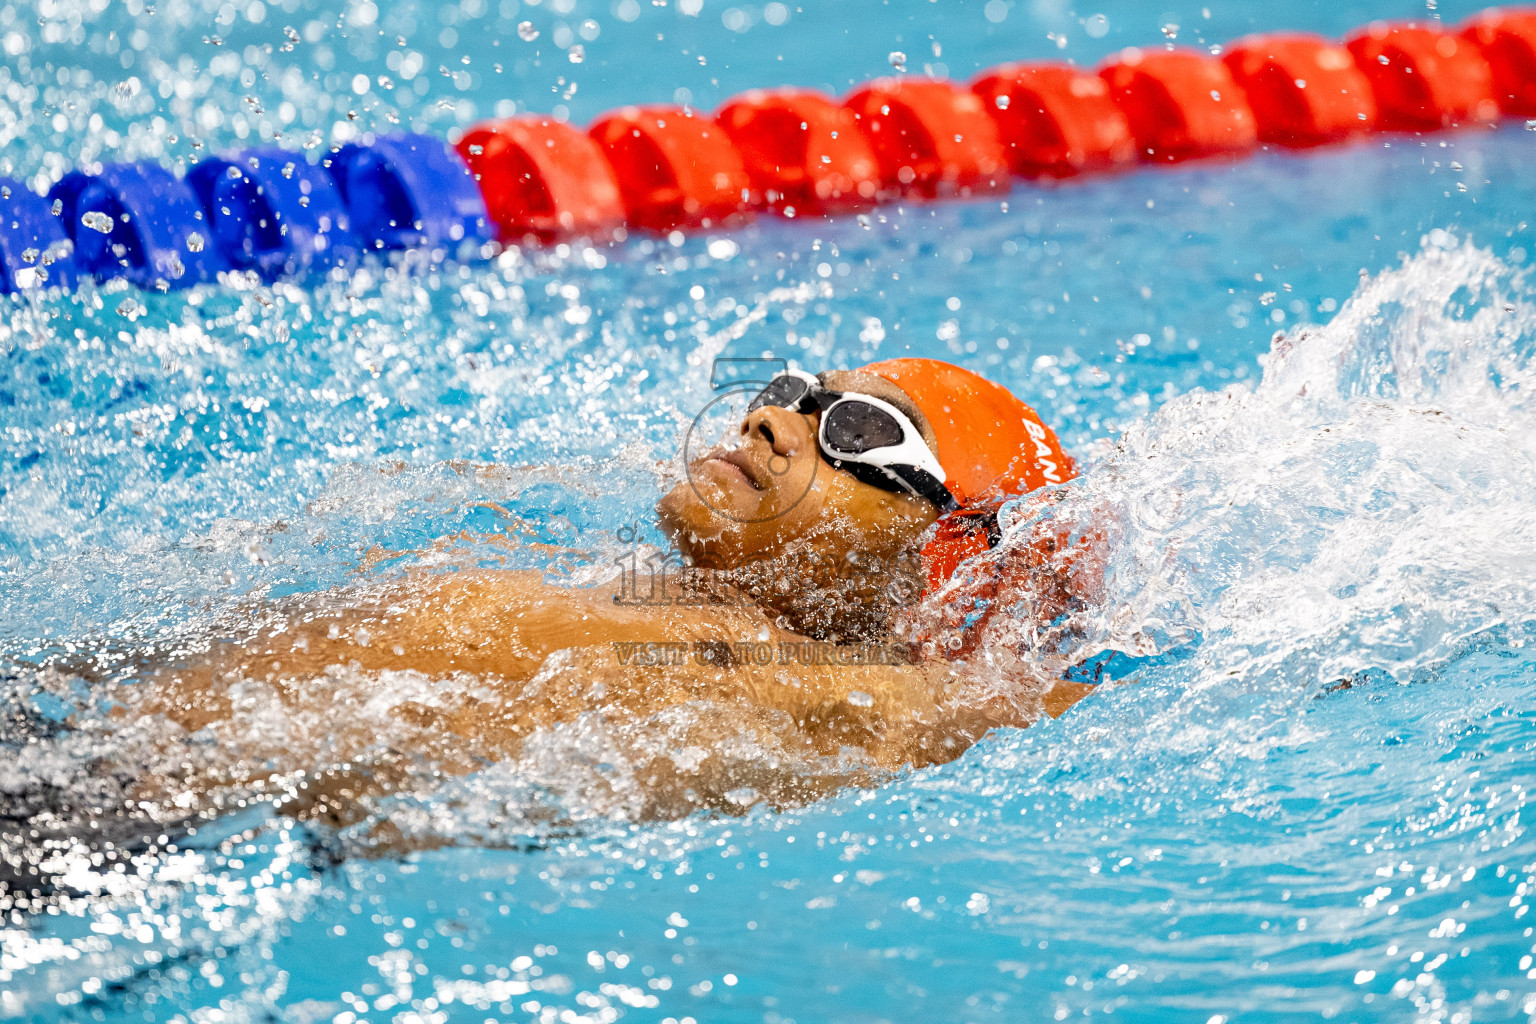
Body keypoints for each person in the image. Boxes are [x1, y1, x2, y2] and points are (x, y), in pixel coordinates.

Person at [115, 358, 1097, 824]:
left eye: (862, 432)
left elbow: (1004, 696)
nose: (775, 424)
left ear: (947, 565)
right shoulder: (620, 578)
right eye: (796, 393)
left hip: (148, 814)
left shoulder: (848, 693)